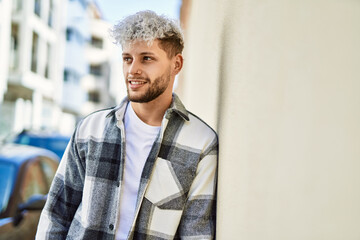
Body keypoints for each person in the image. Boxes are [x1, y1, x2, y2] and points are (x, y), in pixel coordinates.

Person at [36, 10, 218, 240]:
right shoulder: (90, 130)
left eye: (147, 58)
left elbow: (196, 234)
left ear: (176, 64)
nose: (133, 70)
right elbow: (56, 214)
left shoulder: (201, 143)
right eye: (127, 58)